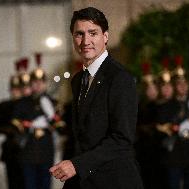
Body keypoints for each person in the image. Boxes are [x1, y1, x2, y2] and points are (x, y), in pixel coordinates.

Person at [49, 7, 143, 189]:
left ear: (105, 37)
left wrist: (77, 165)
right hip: (83, 180)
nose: (86, 41)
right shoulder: (77, 80)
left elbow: (122, 139)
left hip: (114, 181)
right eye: (79, 34)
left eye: (93, 33)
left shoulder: (120, 78)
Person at [12, 54, 63, 189]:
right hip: (28, 151)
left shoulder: (53, 103)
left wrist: (51, 117)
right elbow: (15, 123)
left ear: (45, 84)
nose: (38, 85)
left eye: (41, 82)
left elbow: (60, 127)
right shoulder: (22, 103)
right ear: (31, 84)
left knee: (45, 185)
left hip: (46, 151)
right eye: (35, 82)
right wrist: (29, 124)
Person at [161, 55, 189, 189]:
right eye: (178, 84)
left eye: (184, 83)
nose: (182, 86)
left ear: (188, 85)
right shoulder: (168, 105)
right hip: (174, 154)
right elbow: (162, 126)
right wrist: (177, 128)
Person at [0, 72, 25, 189]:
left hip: (26, 149)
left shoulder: (27, 105)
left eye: (18, 88)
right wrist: (14, 129)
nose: (16, 91)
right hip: (11, 149)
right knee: (13, 182)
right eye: (14, 88)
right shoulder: (3, 106)